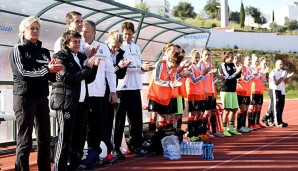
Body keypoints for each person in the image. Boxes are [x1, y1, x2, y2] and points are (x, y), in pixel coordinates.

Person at [10, 16, 63, 171]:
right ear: (23, 32)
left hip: (42, 98)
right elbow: (23, 74)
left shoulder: (44, 52)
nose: (35, 31)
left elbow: (52, 77)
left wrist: (54, 71)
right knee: (24, 141)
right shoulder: (17, 49)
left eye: (37, 28)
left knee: (44, 139)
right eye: (31, 28)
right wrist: (47, 69)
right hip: (24, 99)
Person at [50, 30, 99, 171]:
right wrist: (87, 68)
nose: (78, 44)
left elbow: (88, 78)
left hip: (82, 103)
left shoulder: (81, 56)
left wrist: (93, 67)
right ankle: (59, 167)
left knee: (79, 136)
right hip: (67, 102)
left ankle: (75, 165)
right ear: (66, 43)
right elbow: (69, 78)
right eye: (74, 41)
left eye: (79, 41)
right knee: (65, 138)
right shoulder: (60, 56)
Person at [113, 21, 155, 158]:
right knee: (119, 120)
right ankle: (116, 148)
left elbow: (137, 66)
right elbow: (122, 68)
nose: (127, 37)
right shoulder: (119, 48)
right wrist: (140, 68)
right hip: (122, 88)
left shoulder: (136, 47)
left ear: (133, 33)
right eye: (125, 34)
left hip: (135, 87)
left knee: (136, 119)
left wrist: (144, 67)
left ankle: (137, 145)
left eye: (129, 34)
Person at [104, 29, 131, 162]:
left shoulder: (120, 53)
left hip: (113, 89)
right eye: (114, 46)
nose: (115, 49)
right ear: (108, 42)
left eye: (118, 47)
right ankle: (102, 151)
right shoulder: (103, 50)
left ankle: (111, 150)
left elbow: (119, 75)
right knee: (102, 123)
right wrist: (118, 67)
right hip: (100, 91)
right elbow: (106, 72)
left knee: (111, 121)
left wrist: (123, 67)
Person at [199, 48, 224, 138]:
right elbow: (200, 79)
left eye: (209, 54)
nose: (207, 56)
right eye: (205, 54)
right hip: (204, 92)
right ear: (202, 55)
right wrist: (208, 74)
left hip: (211, 91)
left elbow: (211, 81)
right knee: (206, 112)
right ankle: (203, 131)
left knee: (213, 112)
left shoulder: (210, 64)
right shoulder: (201, 64)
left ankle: (214, 131)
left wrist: (219, 78)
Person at [185, 49, 209, 139]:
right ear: (191, 57)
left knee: (199, 113)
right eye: (196, 57)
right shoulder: (190, 67)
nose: (198, 59)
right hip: (192, 93)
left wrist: (205, 91)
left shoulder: (198, 67)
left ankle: (197, 133)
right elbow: (194, 80)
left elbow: (202, 81)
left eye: (199, 57)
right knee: (193, 113)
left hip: (200, 93)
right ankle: (191, 134)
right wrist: (203, 74)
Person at [218, 51, 242, 137]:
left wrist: (239, 69)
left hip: (233, 90)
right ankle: (224, 129)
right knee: (226, 110)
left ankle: (231, 128)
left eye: (233, 57)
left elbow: (238, 77)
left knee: (234, 109)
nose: (232, 59)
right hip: (226, 90)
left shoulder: (233, 65)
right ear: (226, 57)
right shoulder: (223, 66)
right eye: (231, 57)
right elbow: (228, 77)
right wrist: (236, 72)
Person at [264, 60, 293, 127]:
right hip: (275, 90)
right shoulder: (273, 72)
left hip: (281, 90)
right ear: (276, 64)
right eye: (280, 64)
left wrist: (287, 77)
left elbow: (285, 81)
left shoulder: (282, 72)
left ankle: (270, 118)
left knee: (280, 106)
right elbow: (276, 83)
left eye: (282, 64)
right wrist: (282, 77)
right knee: (274, 106)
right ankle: (275, 121)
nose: (281, 65)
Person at [234, 55, 253, 133]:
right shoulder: (242, 68)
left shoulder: (249, 69)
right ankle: (239, 126)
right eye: (248, 59)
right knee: (242, 109)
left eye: (250, 59)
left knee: (245, 109)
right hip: (241, 91)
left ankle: (243, 125)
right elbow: (244, 79)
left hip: (247, 91)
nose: (250, 61)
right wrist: (253, 75)